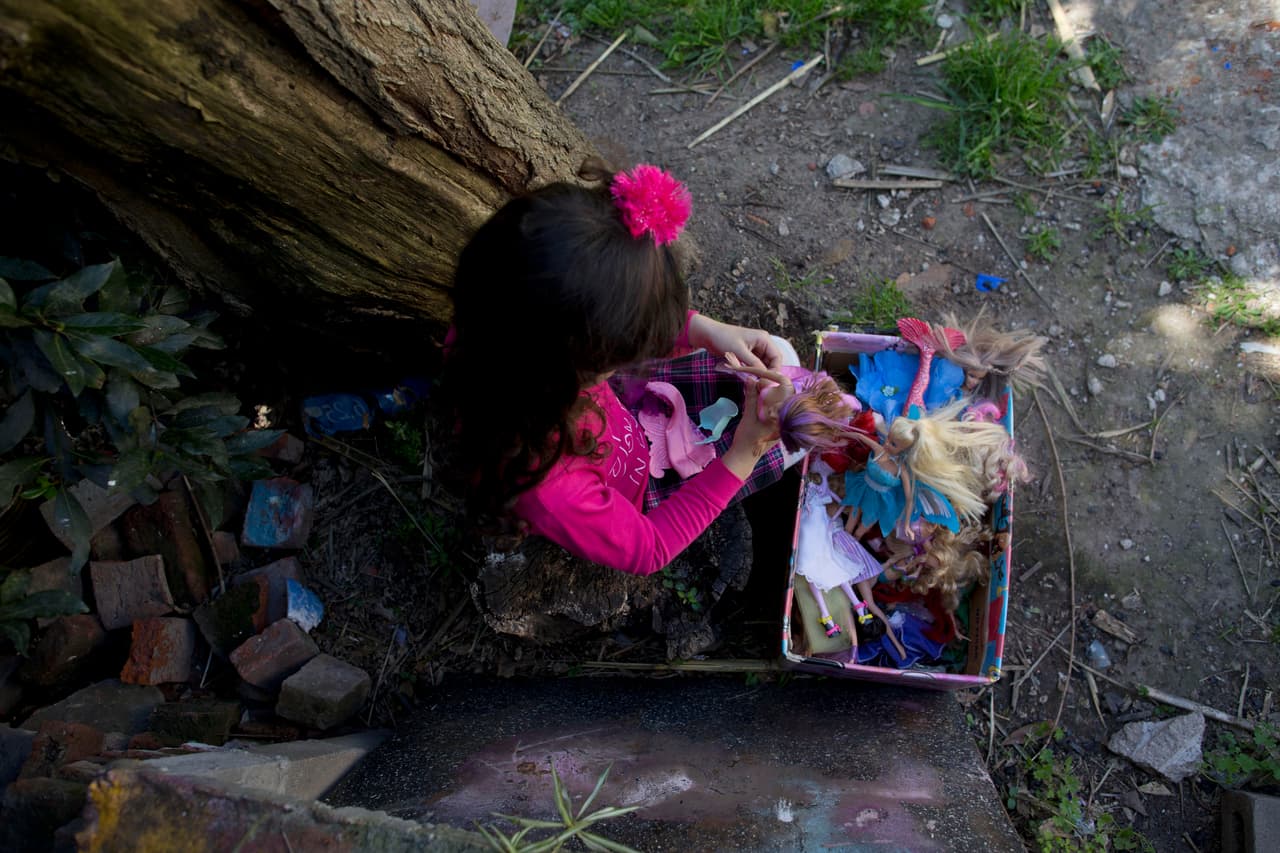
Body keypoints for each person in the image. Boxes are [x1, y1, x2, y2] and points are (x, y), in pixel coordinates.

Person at [444, 159, 787, 576]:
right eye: (628, 351)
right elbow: (651, 548)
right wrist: (745, 454)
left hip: (626, 418)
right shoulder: (554, 489)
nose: (640, 353)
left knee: (781, 360)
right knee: (786, 442)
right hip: (640, 496)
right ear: (579, 361)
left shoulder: (499, 335)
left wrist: (705, 330)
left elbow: (603, 326)